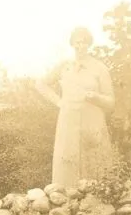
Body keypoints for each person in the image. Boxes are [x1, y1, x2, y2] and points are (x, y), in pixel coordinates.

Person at [36, 26, 116, 188]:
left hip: (92, 121)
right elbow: (40, 84)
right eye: (77, 42)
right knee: (67, 163)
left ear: (89, 44)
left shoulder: (99, 68)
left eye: (85, 42)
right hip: (68, 122)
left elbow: (111, 102)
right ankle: (64, 207)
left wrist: (95, 97)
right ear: (72, 44)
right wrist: (59, 102)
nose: (81, 46)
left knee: (94, 166)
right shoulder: (65, 66)